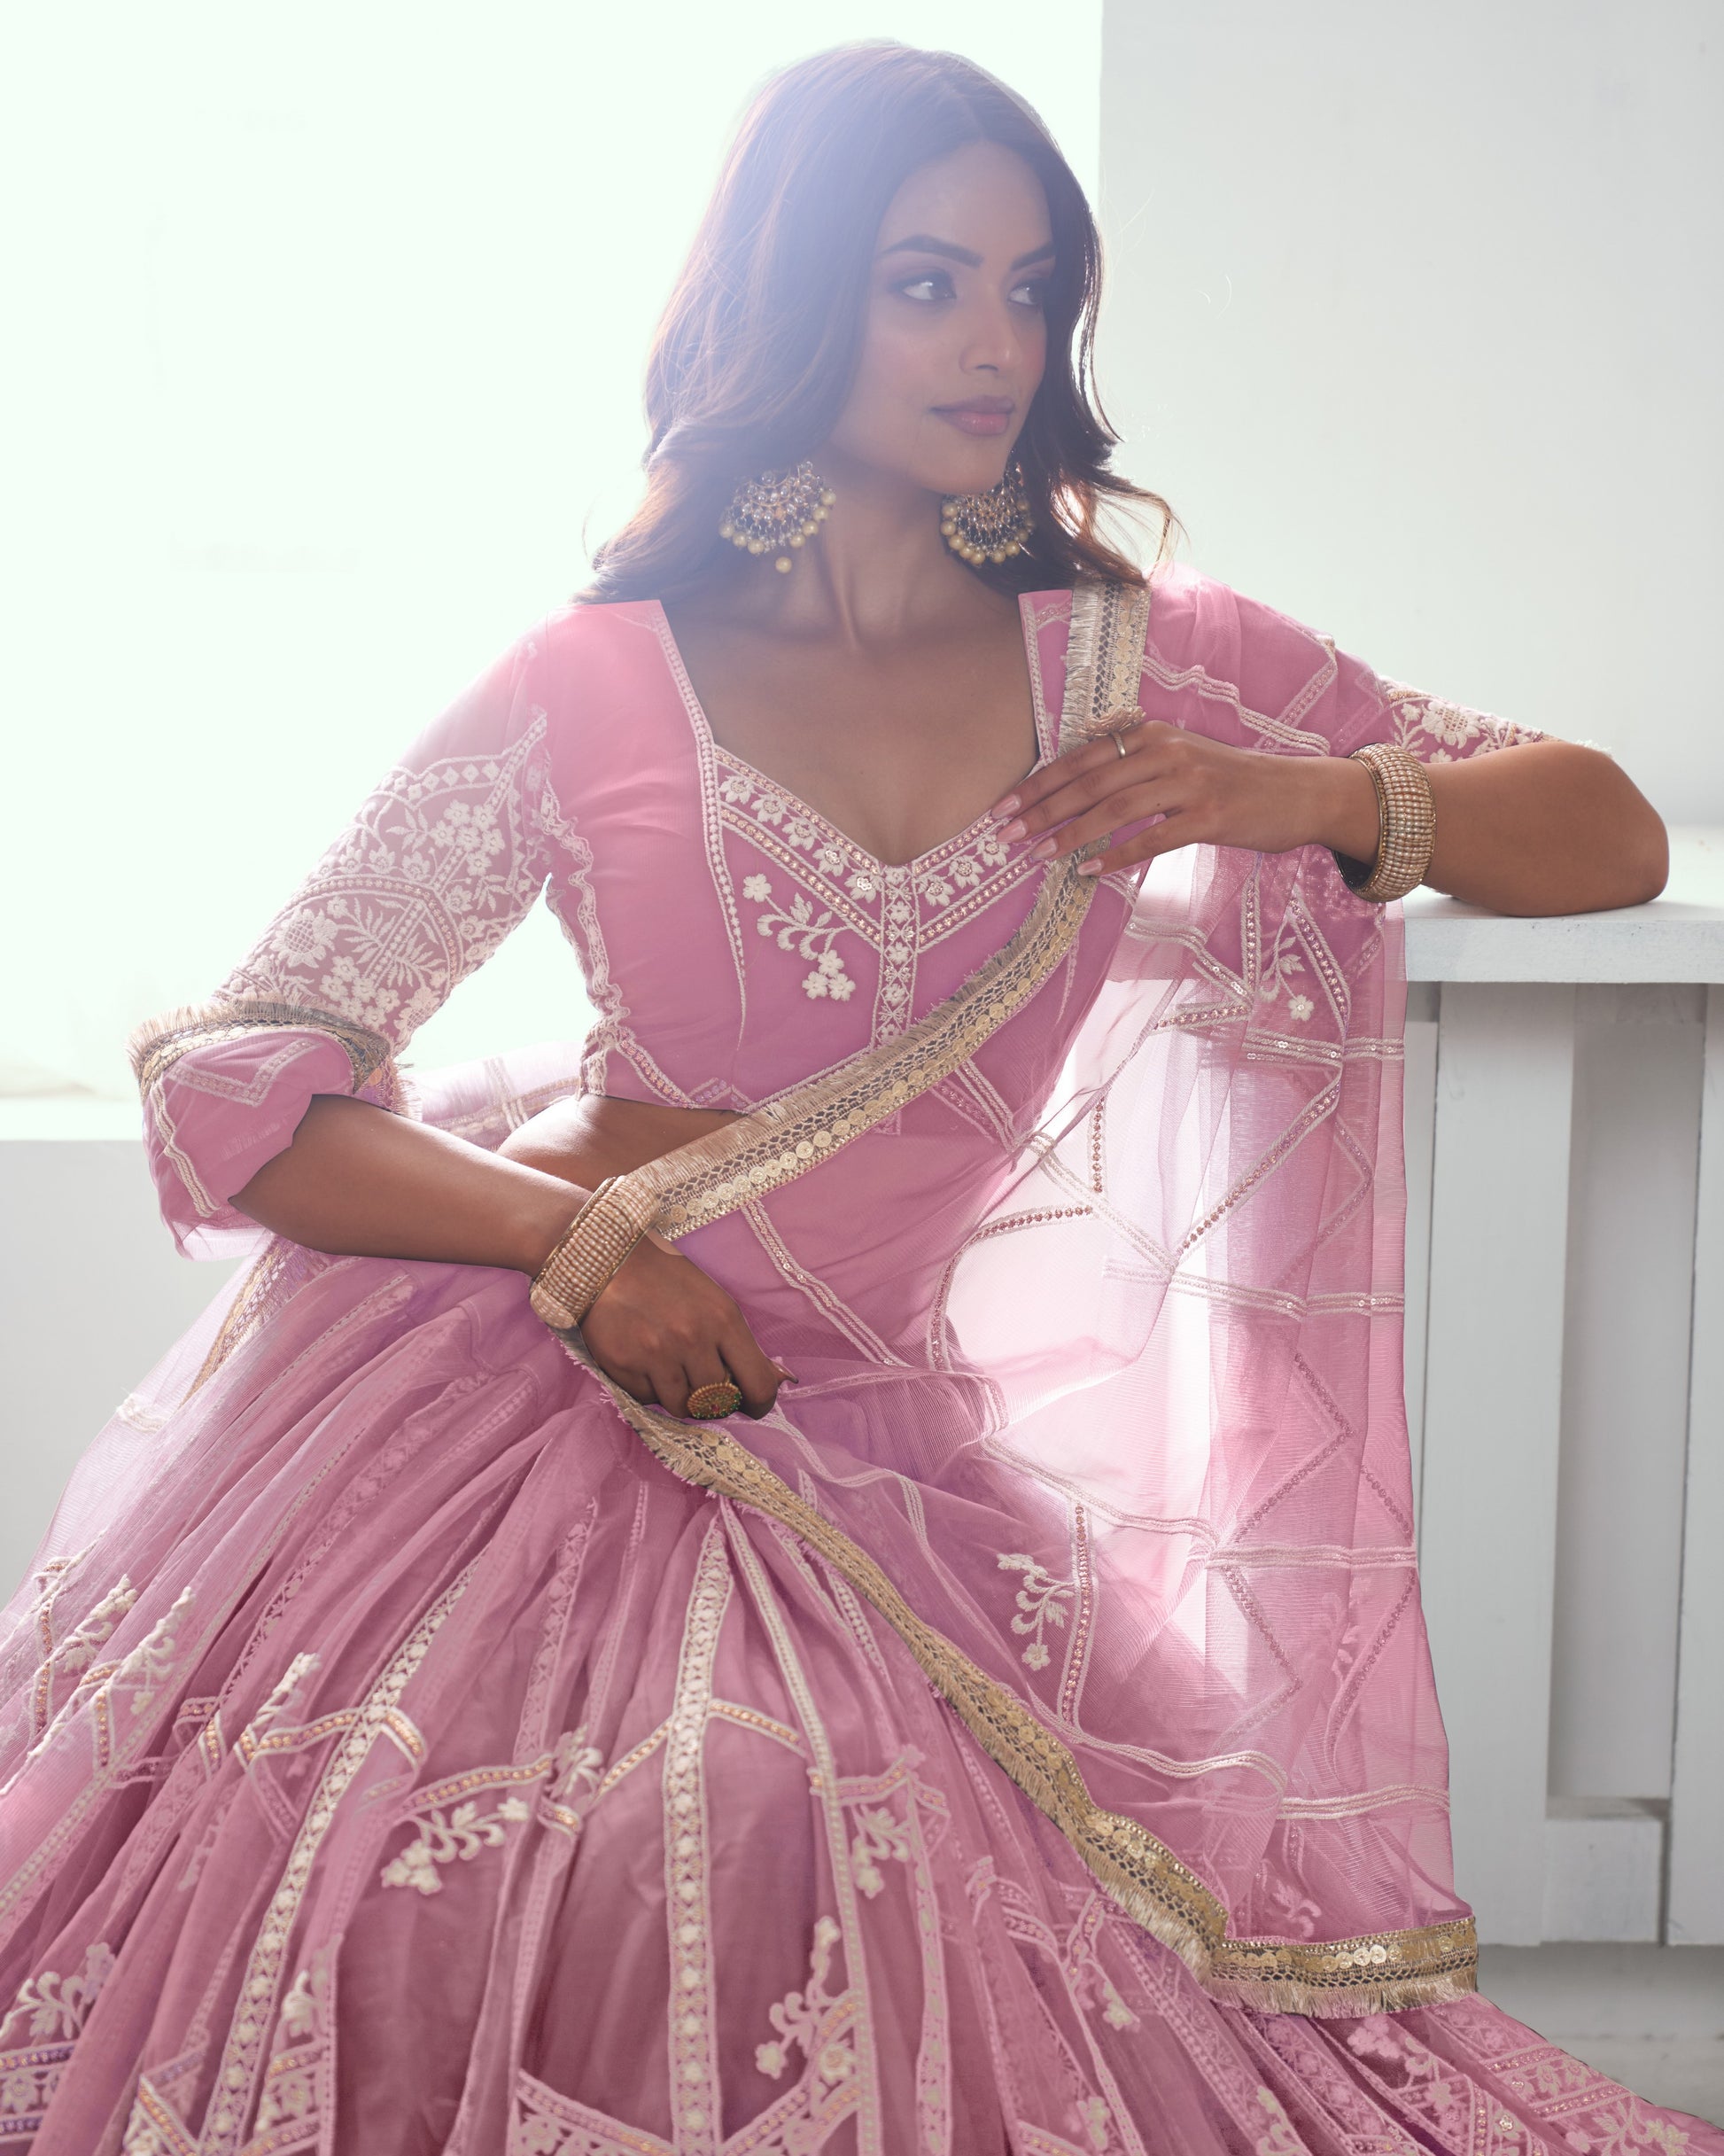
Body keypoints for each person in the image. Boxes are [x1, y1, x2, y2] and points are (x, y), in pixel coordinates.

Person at [1, 39, 1708, 2156]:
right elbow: (237, 1082)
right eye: (925, 283)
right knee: (646, 1822)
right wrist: (576, 1241)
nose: (995, 342)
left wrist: (1290, 792)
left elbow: (1608, 833)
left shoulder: (1135, 662)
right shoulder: (594, 678)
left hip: (861, 1430)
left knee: (901, 1865)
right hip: (511, 1392)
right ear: (795, 296)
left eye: (1028, 288)